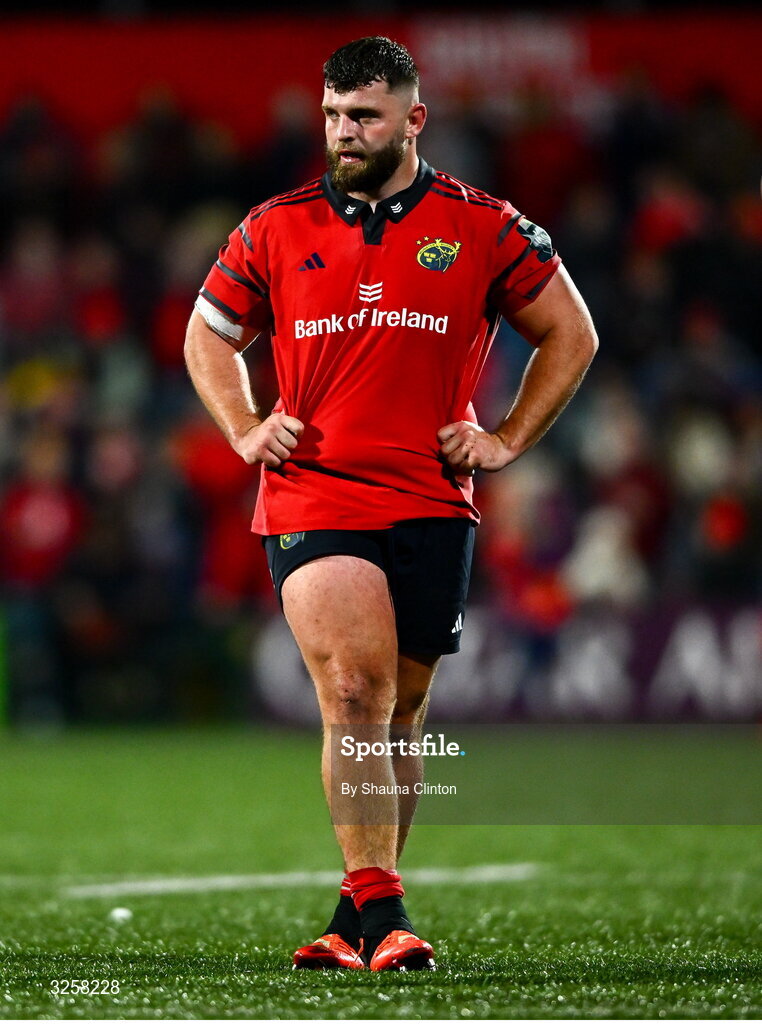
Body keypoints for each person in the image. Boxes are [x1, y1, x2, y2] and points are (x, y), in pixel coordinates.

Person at [184, 36, 598, 972]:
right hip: (315, 492)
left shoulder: (485, 224)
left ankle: (347, 916)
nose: (343, 132)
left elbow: (570, 334)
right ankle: (386, 915)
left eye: (363, 115)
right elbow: (207, 338)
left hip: (432, 499)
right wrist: (247, 427)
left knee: (401, 716)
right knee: (355, 693)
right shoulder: (274, 227)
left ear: (414, 119)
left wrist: (506, 438)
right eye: (332, 114)